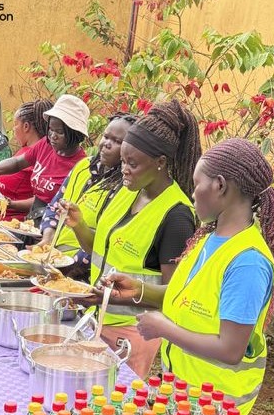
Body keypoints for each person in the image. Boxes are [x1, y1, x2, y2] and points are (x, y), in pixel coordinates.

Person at [103, 138, 274, 415]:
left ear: (220, 186)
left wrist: (163, 328)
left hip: (215, 407)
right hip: (184, 393)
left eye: (197, 184)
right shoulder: (210, 239)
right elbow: (184, 298)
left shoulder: (248, 261)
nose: (193, 194)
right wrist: (138, 290)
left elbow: (230, 349)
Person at [59, 100, 201, 377]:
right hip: (96, 321)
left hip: (131, 335)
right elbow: (99, 248)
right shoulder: (126, 190)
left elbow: (172, 297)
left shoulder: (176, 217)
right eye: (123, 161)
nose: (123, 169)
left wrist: (108, 299)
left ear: (160, 163)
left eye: (132, 164)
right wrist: (79, 226)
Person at [38, 113, 136, 280]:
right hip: (51, 261)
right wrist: (47, 241)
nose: (106, 144)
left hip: (80, 275)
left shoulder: (126, 188)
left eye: (117, 141)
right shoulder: (83, 167)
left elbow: (104, 242)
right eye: (106, 136)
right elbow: (54, 207)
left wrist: (66, 266)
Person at [0, 94, 90, 222]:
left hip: (53, 225)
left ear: (75, 134)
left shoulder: (81, 166)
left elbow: (56, 205)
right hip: (33, 220)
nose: (53, 136)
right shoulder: (46, 144)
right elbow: (18, 162)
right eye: (51, 129)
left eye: (59, 132)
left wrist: (9, 203)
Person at [0, 99, 53, 220]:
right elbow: (16, 164)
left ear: (26, 126)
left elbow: (42, 199)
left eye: (15, 124)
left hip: (12, 221)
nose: (13, 129)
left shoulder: (42, 153)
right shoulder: (26, 150)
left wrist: (9, 204)